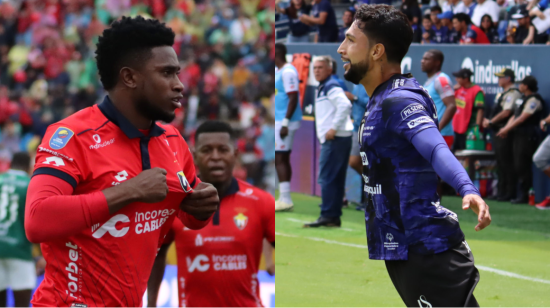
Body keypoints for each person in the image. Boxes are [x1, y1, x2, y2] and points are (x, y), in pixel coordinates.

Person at [24, 16, 220, 307]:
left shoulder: (173, 141)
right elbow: (37, 220)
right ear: (129, 77)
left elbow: (190, 217)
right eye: (167, 73)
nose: (179, 85)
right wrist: (130, 191)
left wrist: (203, 206)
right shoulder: (73, 136)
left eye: (177, 73)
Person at [337, 4, 491, 306]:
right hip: (404, 247)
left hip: (428, 250)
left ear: (377, 51)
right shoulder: (381, 98)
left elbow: (435, 146)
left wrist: (467, 188)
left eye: (351, 40)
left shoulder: (398, 99)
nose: (342, 49)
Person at [147, 121, 275, 307]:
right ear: (194, 156)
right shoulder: (177, 203)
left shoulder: (261, 201)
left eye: (223, 150)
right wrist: (151, 304)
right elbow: (158, 255)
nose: (215, 157)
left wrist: (272, 260)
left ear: (235, 155)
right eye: (207, 150)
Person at [304, 56, 353, 227]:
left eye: (320, 67)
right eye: (315, 67)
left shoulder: (331, 85)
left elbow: (345, 105)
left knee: (327, 177)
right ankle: (333, 216)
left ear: (329, 70)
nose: (316, 70)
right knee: (335, 178)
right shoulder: (325, 86)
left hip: (336, 138)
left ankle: (327, 215)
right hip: (339, 137)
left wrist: (333, 128)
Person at [0, 152, 43, 307]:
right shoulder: (29, 184)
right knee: (21, 304)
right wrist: (42, 254)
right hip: (20, 250)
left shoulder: (0, 179)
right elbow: (35, 222)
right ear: (28, 166)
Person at [497, 76, 544, 204]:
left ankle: (525, 196)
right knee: (516, 164)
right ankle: (516, 193)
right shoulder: (523, 99)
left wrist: (507, 129)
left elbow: (522, 118)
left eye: (521, 84)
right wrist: (506, 128)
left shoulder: (534, 100)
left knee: (523, 165)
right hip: (517, 135)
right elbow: (515, 116)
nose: (519, 86)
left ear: (527, 86)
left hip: (528, 136)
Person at [482, 68, 521, 201]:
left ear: (508, 78)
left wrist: (491, 121)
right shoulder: (502, 93)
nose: (498, 80)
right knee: (500, 162)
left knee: (506, 162)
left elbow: (507, 112)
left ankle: (509, 192)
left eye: (501, 77)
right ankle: (501, 191)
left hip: (504, 132)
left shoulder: (513, 93)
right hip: (497, 131)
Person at [274, 43, 302, 212]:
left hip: (285, 122)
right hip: (279, 120)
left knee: (281, 158)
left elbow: (293, 98)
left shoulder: (288, 72)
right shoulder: (279, 71)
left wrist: (285, 122)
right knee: (280, 158)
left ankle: (286, 198)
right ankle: (283, 197)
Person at [421, 50, 456, 149]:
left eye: (427, 59)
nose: (422, 61)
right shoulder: (428, 82)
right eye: (423, 58)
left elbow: (452, 105)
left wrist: (437, 128)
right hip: (431, 134)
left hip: (441, 136)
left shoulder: (441, 80)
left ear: (437, 62)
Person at [452, 68, 485, 151]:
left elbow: (480, 111)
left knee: (466, 155)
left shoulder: (477, 91)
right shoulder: (458, 89)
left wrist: (476, 129)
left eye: (458, 77)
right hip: (456, 128)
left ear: (466, 79)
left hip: (469, 130)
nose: (456, 79)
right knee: (456, 153)